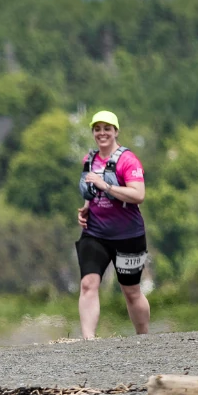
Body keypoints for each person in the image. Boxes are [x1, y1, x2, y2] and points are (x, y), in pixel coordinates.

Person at [74, 110, 150, 339]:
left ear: (116, 131)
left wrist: (106, 186)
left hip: (128, 235)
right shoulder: (89, 160)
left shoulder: (128, 160)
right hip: (95, 232)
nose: (102, 133)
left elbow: (138, 195)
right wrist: (87, 205)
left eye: (107, 128)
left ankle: (143, 336)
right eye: (97, 129)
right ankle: (89, 340)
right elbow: (91, 189)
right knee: (88, 284)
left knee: (131, 291)